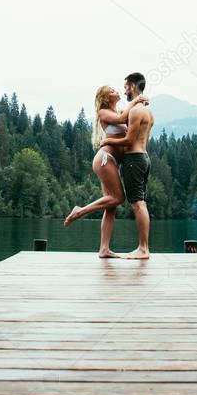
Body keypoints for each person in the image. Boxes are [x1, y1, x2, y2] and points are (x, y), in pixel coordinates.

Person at [63, 84, 148, 259]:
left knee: (111, 206)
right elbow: (124, 117)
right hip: (105, 159)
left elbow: (131, 120)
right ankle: (80, 211)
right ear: (105, 98)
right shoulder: (103, 112)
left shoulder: (119, 111)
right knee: (118, 198)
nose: (117, 92)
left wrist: (141, 104)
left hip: (112, 162)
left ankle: (104, 249)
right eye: (112, 91)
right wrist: (137, 100)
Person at [100, 72, 154, 260]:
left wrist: (108, 141)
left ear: (132, 86)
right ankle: (144, 247)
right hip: (145, 158)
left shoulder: (135, 110)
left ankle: (143, 249)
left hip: (134, 160)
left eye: (125, 87)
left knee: (137, 204)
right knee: (142, 202)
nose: (123, 91)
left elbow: (130, 139)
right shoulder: (147, 111)